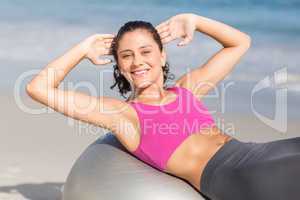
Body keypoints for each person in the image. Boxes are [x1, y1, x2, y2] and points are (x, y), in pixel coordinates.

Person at [26, 13, 300, 200]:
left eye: (146, 51)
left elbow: (240, 44)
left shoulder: (187, 89)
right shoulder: (123, 116)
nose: (137, 62)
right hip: (235, 176)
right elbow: (38, 88)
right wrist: (82, 49)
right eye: (127, 56)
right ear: (119, 66)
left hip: (258, 152)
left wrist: (194, 20)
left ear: (162, 55)